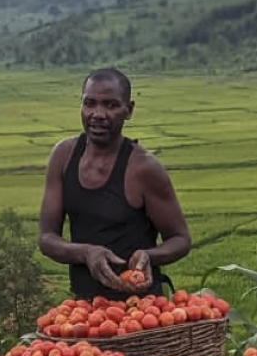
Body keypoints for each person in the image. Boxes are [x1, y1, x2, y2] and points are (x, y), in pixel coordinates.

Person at [38, 68, 191, 300]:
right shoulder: (63, 156)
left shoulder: (144, 168)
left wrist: (148, 256)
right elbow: (47, 237)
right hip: (86, 312)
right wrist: (85, 253)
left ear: (128, 110)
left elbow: (180, 239)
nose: (98, 114)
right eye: (90, 104)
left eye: (111, 105)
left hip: (140, 310)